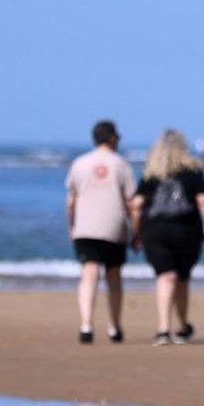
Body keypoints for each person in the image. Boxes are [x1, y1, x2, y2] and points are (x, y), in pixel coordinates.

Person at [129, 129, 204, 346]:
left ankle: (162, 329)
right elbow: (203, 201)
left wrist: (136, 232)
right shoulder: (193, 170)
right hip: (187, 231)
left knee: (165, 276)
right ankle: (182, 326)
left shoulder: (152, 173)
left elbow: (136, 205)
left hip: (155, 231)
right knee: (182, 279)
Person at [66, 120, 135, 344]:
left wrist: (72, 226)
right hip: (113, 226)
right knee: (113, 277)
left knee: (89, 274)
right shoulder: (121, 164)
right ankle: (114, 326)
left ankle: (86, 325)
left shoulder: (80, 163)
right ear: (113, 138)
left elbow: (71, 201)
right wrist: (137, 231)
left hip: (85, 226)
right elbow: (131, 202)